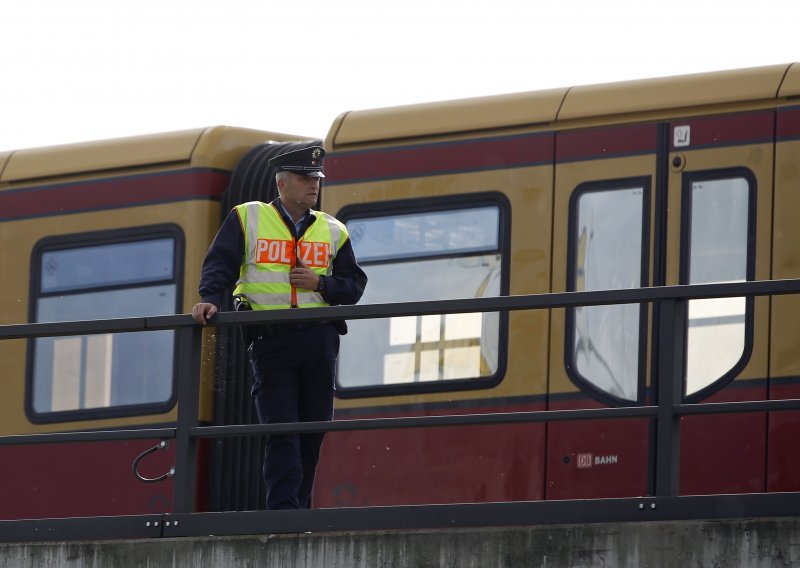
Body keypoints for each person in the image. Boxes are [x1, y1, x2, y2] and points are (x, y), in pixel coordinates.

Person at [192, 145, 367, 510]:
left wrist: (320, 284)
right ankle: (284, 512)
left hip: (320, 338)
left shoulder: (334, 229)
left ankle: (299, 510)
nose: (314, 186)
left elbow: (354, 286)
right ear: (282, 183)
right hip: (272, 338)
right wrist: (210, 297)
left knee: (311, 431)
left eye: (316, 179)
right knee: (282, 428)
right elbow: (219, 263)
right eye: (305, 179)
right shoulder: (247, 217)